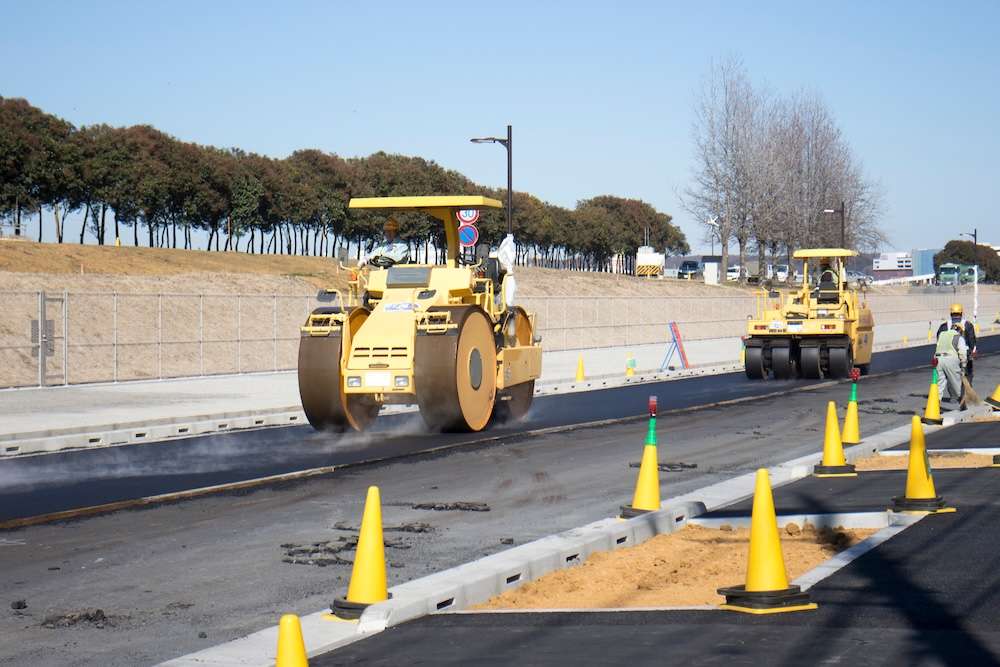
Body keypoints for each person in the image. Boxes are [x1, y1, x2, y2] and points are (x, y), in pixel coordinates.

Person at [936, 303, 976, 380]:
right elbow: (972, 341)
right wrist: (970, 353)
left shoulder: (944, 325)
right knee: (967, 377)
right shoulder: (968, 325)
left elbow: (939, 341)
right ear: (961, 313)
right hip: (965, 355)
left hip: (948, 356)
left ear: (951, 313)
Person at [935, 322, 968, 404]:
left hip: (938, 359)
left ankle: (936, 402)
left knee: (939, 383)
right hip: (950, 359)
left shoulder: (942, 334)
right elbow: (962, 352)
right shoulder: (958, 337)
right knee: (956, 381)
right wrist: (964, 365)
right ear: (960, 330)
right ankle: (959, 400)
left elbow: (938, 346)